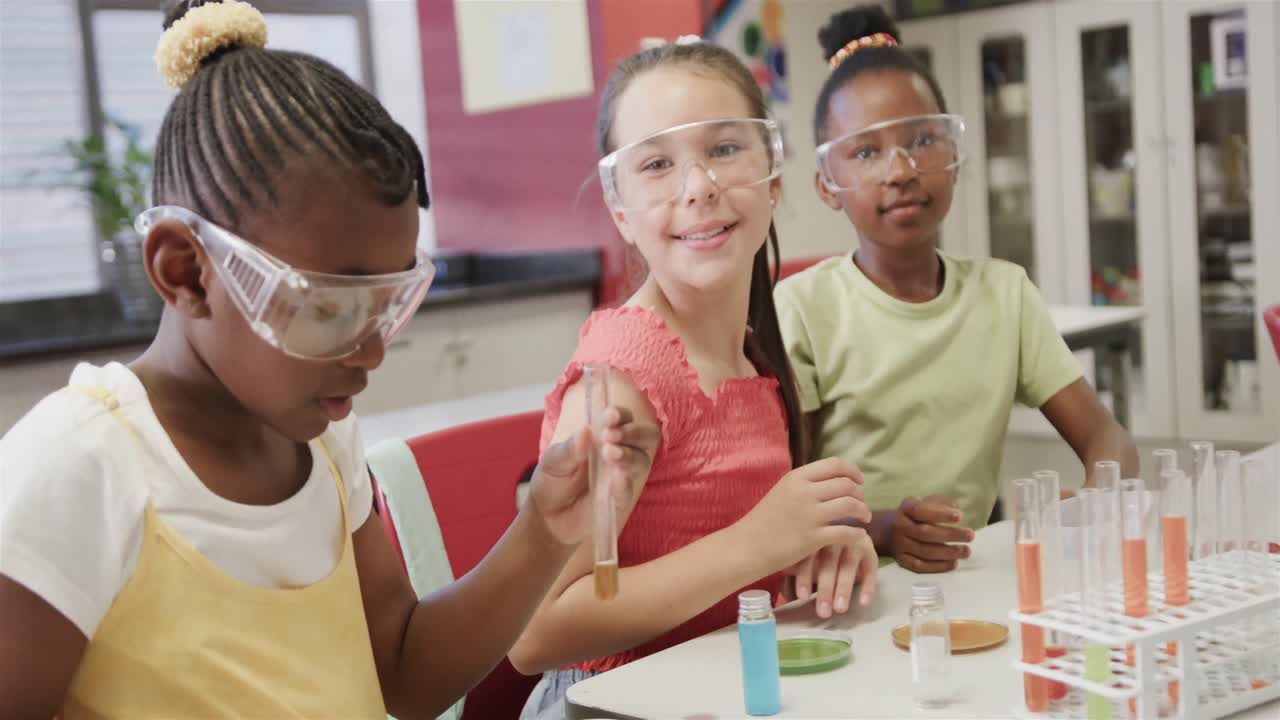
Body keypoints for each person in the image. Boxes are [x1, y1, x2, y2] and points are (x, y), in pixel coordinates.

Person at [0, 2, 642, 718]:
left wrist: (544, 532)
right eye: (329, 308)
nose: (371, 351)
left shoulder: (324, 444)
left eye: (387, 304)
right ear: (186, 273)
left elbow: (406, 674)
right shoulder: (79, 467)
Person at [510, 36, 879, 720]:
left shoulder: (751, 356)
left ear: (773, 176)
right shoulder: (625, 371)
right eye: (657, 164)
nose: (699, 186)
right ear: (621, 210)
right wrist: (759, 543)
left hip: (714, 689)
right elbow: (536, 634)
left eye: (725, 149)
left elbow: (714, 573)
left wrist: (810, 551)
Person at [775, 5, 1139, 574]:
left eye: (922, 139)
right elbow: (783, 506)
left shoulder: (1005, 294)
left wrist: (1098, 496)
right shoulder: (802, 309)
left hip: (970, 587)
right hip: (852, 592)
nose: (901, 170)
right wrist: (885, 529)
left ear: (954, 156)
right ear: (827, 184)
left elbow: (1107, 439)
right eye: (866, 152)